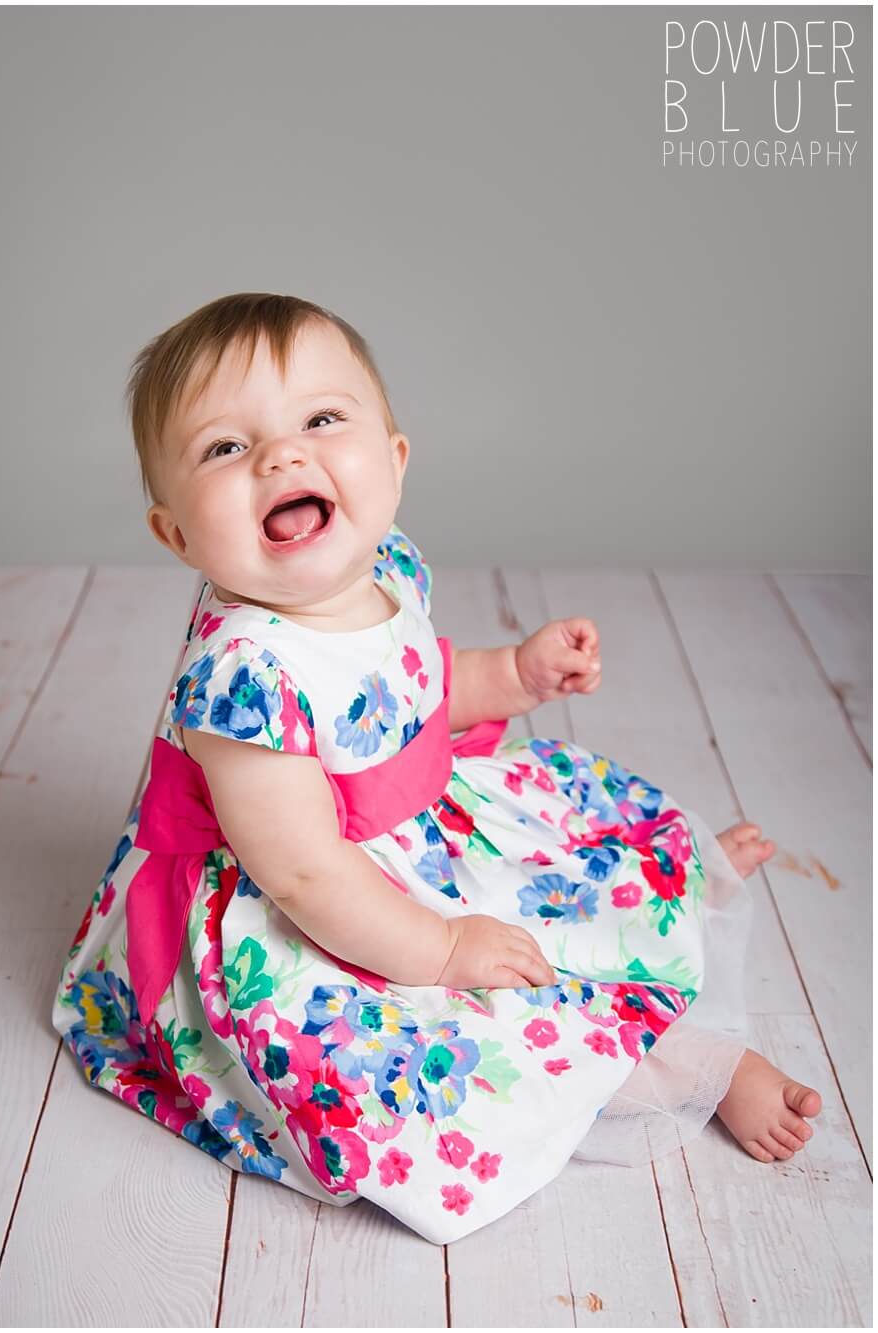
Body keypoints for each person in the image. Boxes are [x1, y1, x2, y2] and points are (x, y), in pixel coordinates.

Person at [52, 292, 823, 1244]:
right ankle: (699, 1071)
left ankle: (666, 886)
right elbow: (299, 870)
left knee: (572, 856)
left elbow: (414, 687)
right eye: (224, 448)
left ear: (393, 462)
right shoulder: (242, 677)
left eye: (322, 420)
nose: (282, 457)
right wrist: (441, 951)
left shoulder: (386, 568)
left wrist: (514, 675)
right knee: (454, 1033)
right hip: (317, 901)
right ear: (176, 535)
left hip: (417, 829)